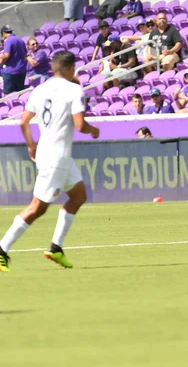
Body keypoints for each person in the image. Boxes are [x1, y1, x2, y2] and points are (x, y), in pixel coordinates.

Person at [0, 51, 100, 273]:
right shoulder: (74, 89)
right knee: (37, 208)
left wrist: (31, 145)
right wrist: (94, 130)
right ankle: (1, 250)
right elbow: (81, 125)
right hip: (56, 158)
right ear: (72, 68)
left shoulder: (40, 89)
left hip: (51, 152)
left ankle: (56, 247)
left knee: (79, 195)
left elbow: (24, 121)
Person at [0, 26, 27, 94]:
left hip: (11, 71)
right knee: (20, 93)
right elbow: (25, 53)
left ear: (3, 33)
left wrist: (1, 62)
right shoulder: (20, 40)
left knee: (7, 94)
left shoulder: (8, 40)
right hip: (21, 70)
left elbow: (6, 56)